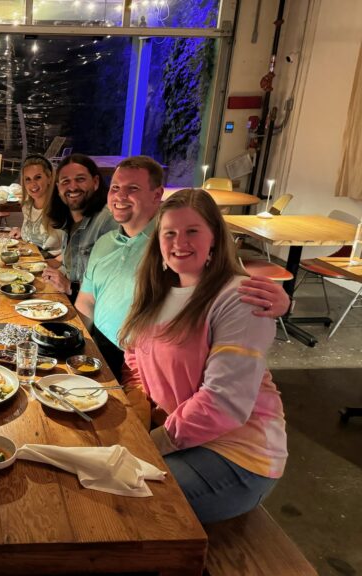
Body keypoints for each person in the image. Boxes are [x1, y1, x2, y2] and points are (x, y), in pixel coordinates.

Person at [118, 188, 288, 524]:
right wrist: (136, 419)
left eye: (192, 231)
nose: (179, 242)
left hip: (239, 456)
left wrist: (153, 442)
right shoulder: (158, 291)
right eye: (170, 233)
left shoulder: (239, 298)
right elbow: (135, 360)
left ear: (214, 238)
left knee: (122, 504)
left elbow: (224, 401)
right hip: (179, 436)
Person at [76, 155, 290, 379]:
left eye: (133, 188)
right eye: (115, 187)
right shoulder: (105, 242)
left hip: (146, 363)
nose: (120, 196)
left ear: (157, 195)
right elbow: (87, 300)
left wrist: (276, 299)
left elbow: (224, 282)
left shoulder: (174, 249)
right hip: (101, 351)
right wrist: (78, 343)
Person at [40, 153, 117, 300]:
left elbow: (113, 285)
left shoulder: (108, 221)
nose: (73, 187)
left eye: (80, 179)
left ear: (95, 182)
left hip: (88, 309)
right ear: (58, 188)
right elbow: (71, 269)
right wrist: (48, 272)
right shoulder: (69, 220)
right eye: (65, 181)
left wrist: (70, 287)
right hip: (68, 300)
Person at [9, 155, 65, 257]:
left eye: (38, 177)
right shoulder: (27, 207)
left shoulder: (62, 208)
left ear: (49, 178)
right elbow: (35, 234)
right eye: (28, 179)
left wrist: (55, 263)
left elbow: (74, 248)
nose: (32, 184)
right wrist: (22, 231)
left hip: (51, 264)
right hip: (29, 261)